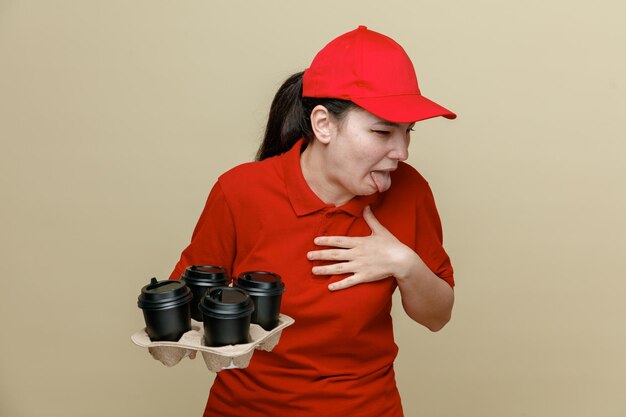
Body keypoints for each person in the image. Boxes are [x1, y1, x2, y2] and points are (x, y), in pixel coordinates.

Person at [170, 25, 456, 417]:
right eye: (382, 131)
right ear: (323, 124)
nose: (402, 151)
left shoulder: (410, 192)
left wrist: (402, 263)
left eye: (408, 132)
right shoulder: (239, 191)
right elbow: (191, 302)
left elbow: (438, 316)